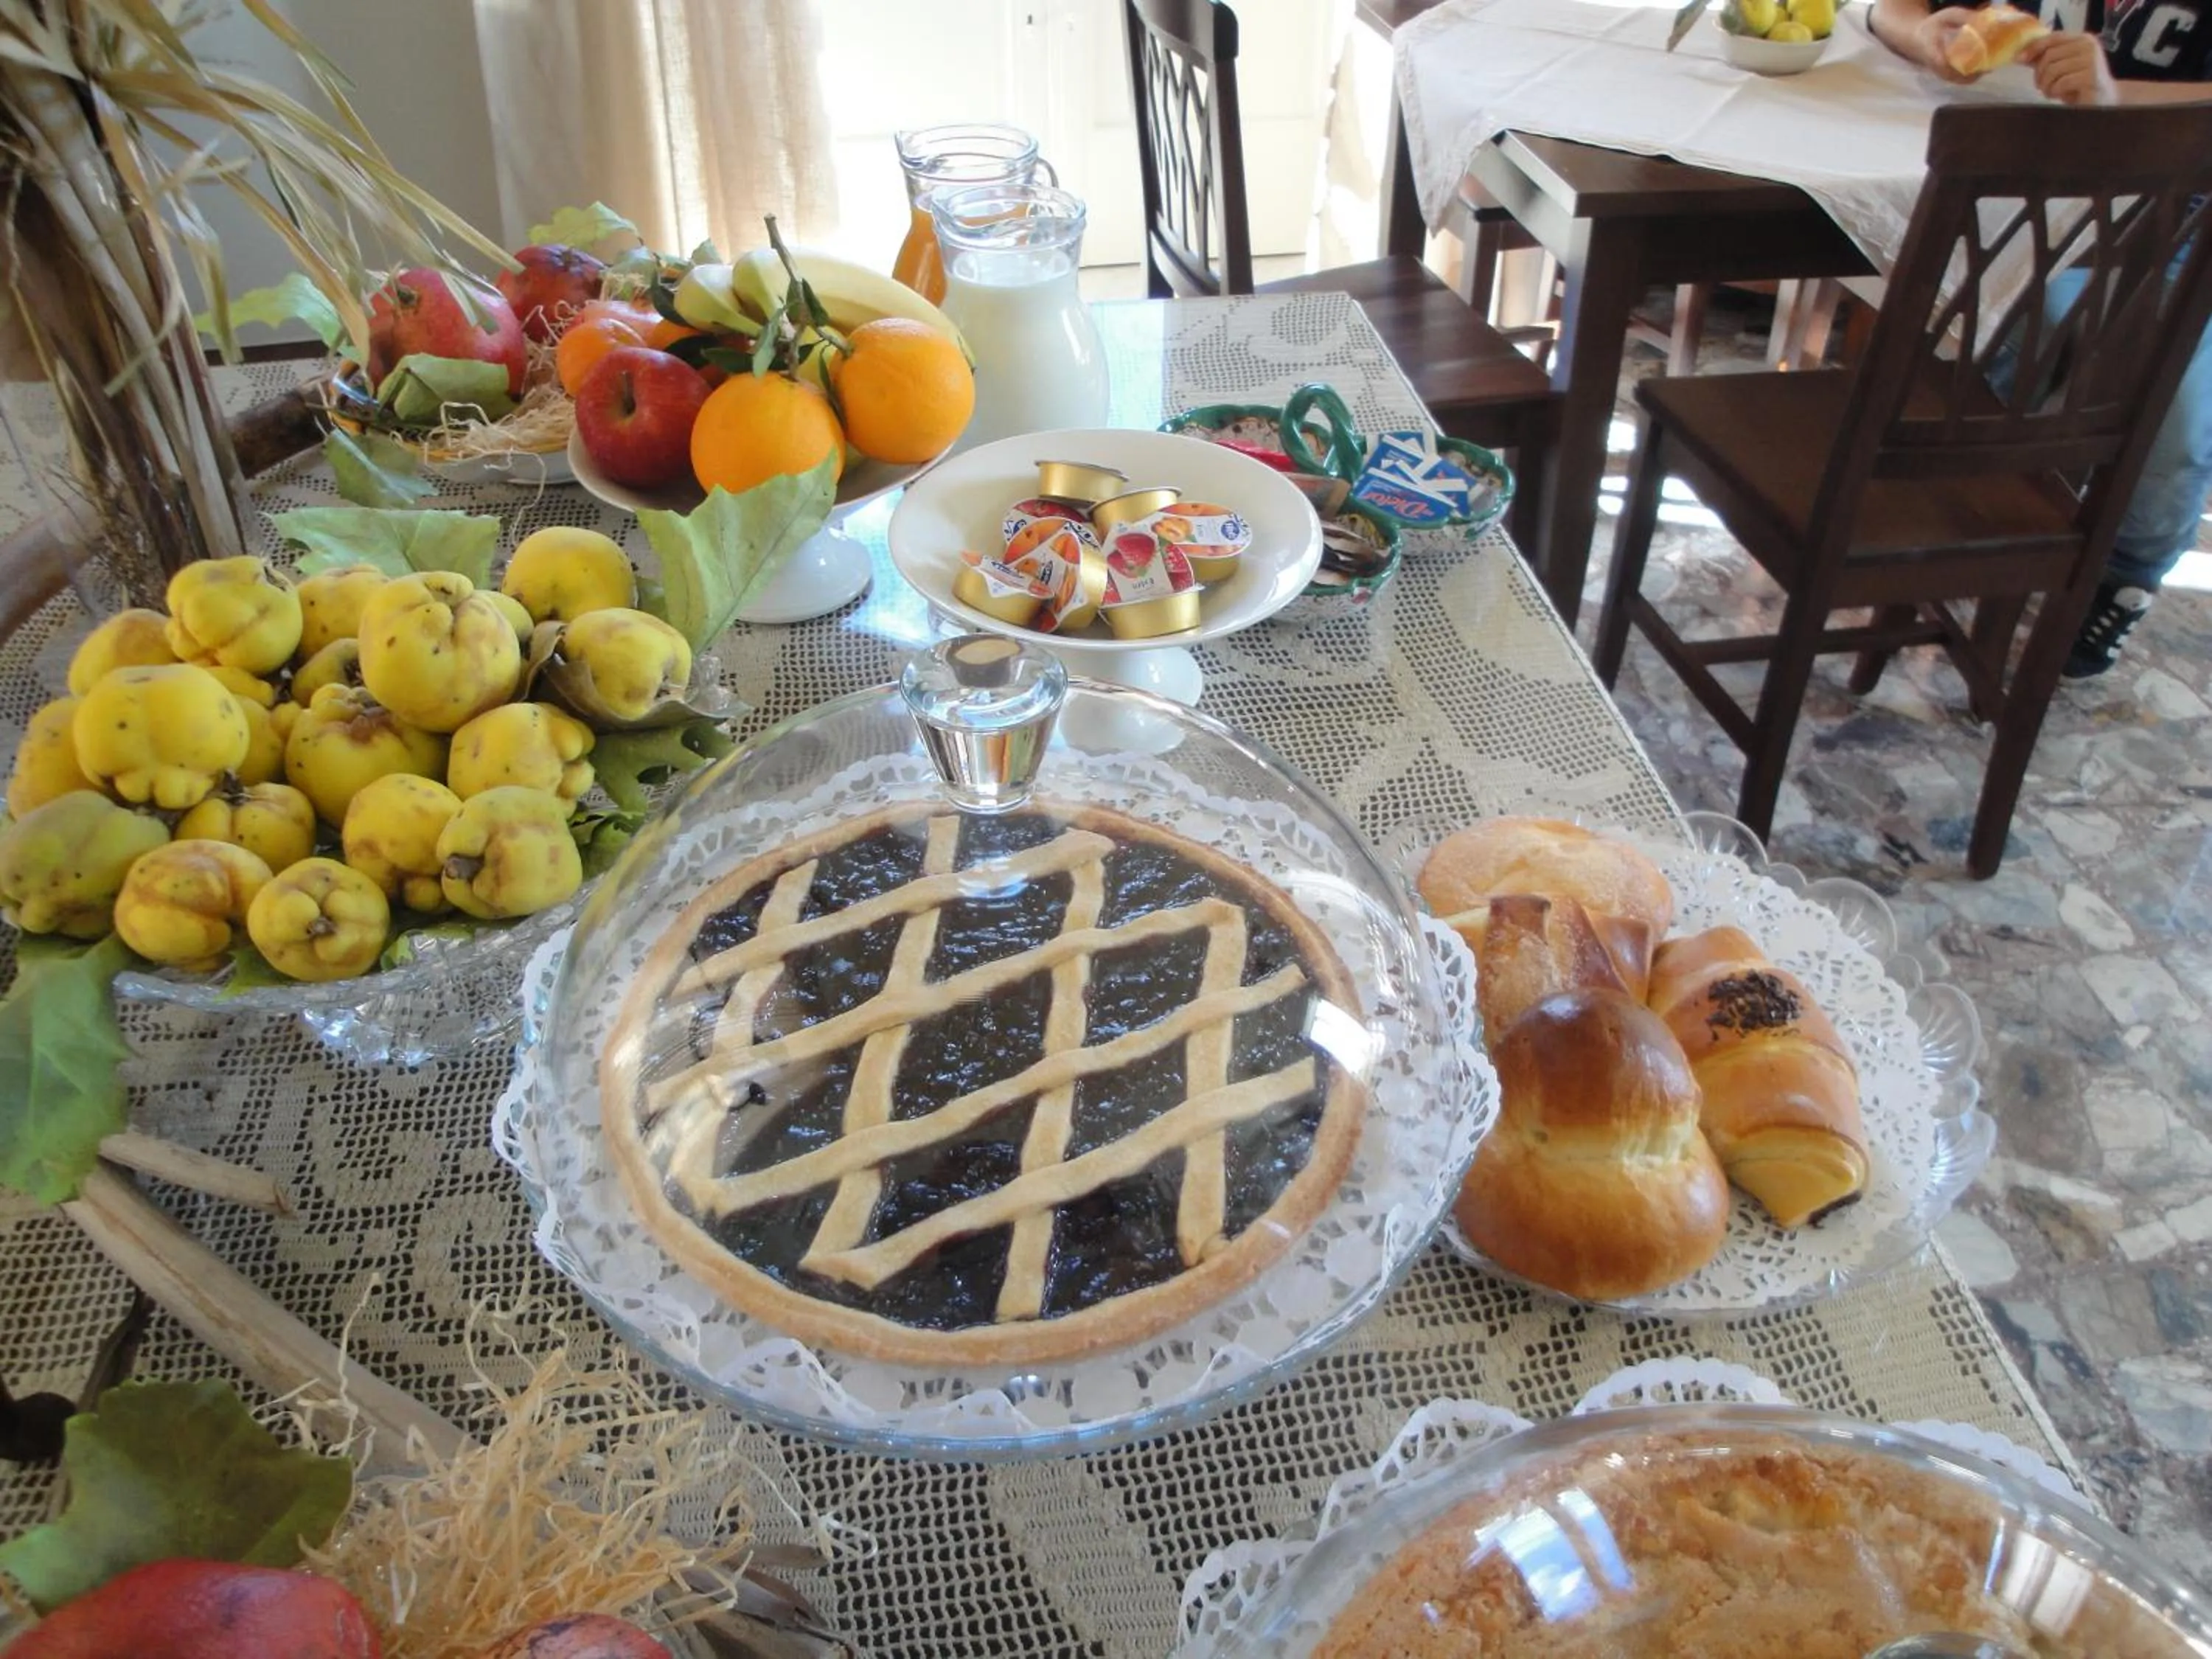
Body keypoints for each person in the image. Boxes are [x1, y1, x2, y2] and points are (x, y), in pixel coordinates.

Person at [1870, 0, 2212, 677]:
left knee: (2170, 404)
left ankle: (2124, 575)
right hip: (2039, 175)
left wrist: (2117, 99)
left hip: (2189, 196)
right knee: (1996, 330)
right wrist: (1924, 33)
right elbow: (1884, 9)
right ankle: (1970, 512)